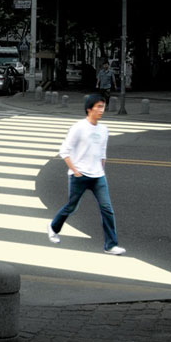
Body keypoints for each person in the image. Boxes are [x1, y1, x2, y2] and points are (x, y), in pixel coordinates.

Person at [47, 94, 126, 256]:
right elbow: (64, 151)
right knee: (71, 207)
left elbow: (102, 153)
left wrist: (101, 170)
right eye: (98, 107)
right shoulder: (78, 127)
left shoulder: (104, 130)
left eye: (102, 107)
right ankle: (53, 227)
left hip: (98, 176)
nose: (101, 110)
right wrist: (75, 171)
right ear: (89, 109)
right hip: (80, 175)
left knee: (107, 209)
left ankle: (110, 245)